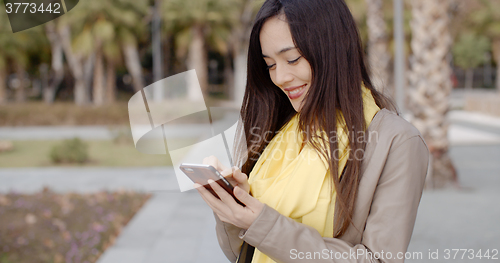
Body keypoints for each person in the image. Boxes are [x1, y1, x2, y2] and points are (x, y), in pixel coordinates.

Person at [194, 0, 429, 262]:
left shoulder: (397, 141)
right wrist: (234, 207)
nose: (280, 77)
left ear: (333, 50)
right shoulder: (278, 128)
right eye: (270, 65)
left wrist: (263, 224)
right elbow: (242, 254)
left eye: (292, 59)